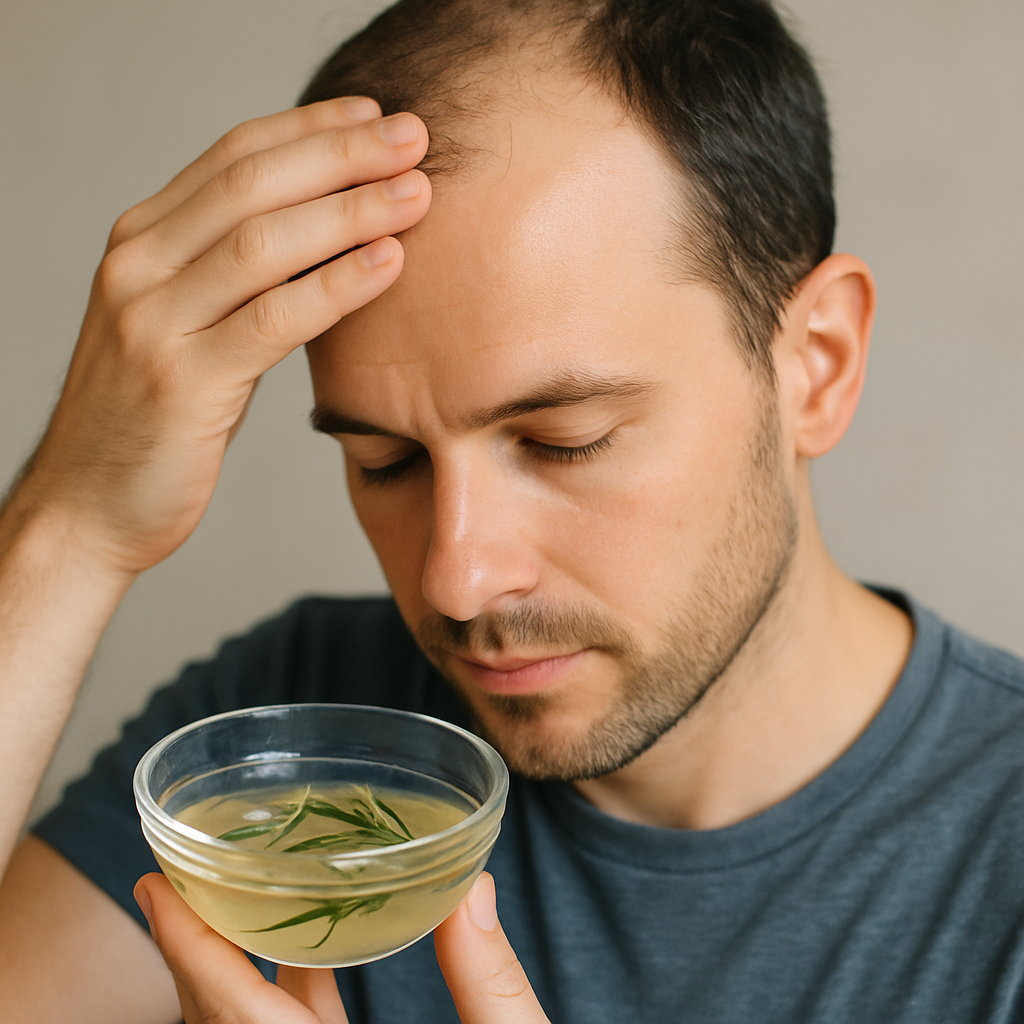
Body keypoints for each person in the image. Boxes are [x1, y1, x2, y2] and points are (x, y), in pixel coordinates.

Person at [1, 0, 1023, 1021]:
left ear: (815, 366)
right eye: (385, 459)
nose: (456, 577)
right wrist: (70, 530)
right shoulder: (292, 743)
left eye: (561, 441)